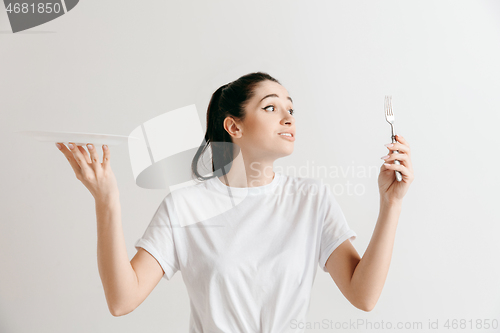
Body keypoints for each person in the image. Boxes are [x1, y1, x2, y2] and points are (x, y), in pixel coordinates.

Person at [55, 71, 414, 332]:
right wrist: (107, 201)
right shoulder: (186, 206)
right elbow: (122, 300)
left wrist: (391, 205)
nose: (289, 117)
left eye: (291, 108)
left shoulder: (310, 199)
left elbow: (363, 295)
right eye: (271, 107)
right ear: (234, 127)